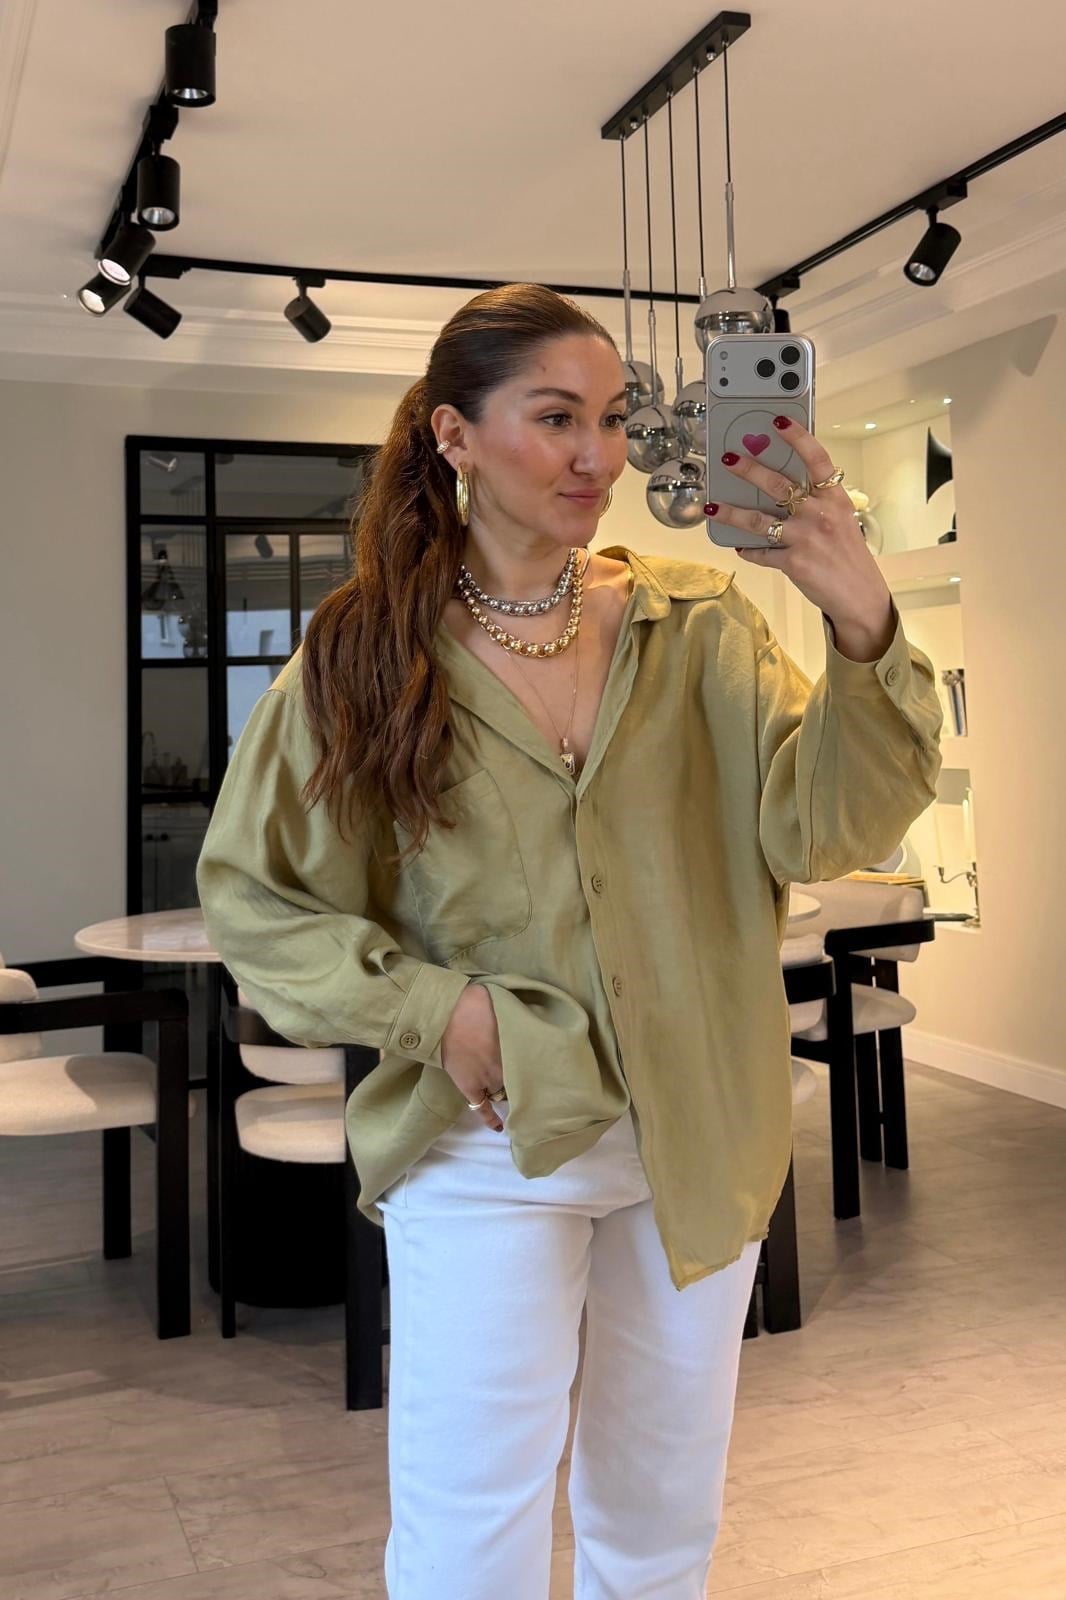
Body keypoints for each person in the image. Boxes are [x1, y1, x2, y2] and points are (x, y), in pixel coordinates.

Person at [196, 282, 943, 1598]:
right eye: (554, 419)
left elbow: (821, 828)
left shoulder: (701, 628)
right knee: (468, 1527)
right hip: (484, 1143)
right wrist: (439, 1012)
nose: (597, 456)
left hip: (696, 1128)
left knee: (660, 1520)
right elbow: (257, 900)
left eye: (610, 418)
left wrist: (860, 621)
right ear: (454, 435)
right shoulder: (360, 655)